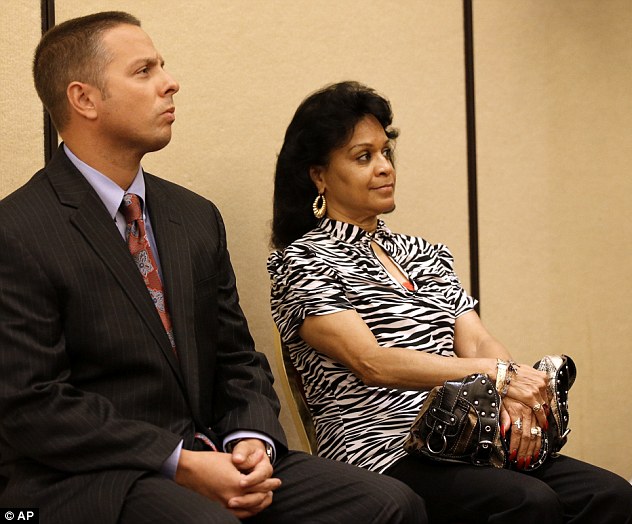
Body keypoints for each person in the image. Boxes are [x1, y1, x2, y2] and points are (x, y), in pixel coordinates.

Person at [0, 14, 428, 524]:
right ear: (84, 99)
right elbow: (32, 404)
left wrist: (252, 439)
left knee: (389, 504)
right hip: (94, 478)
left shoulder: (194, 217)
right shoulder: (19, 229)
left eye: (163, 66)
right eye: (143, 71)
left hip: (216, 450)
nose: (169, 81)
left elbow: (239, 358)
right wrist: (179, 462)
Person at [268, 80, 632, 523]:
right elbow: (372, 362)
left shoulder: (423, 253)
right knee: (528, 502)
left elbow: (477, 342)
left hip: (467, 436)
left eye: (386, 152)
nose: (385, 167)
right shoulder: (302, 261)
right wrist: (501, 376)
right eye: (364, 156)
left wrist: (514, 402)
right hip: (379, 451)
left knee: (610, 494)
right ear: (318, 175)